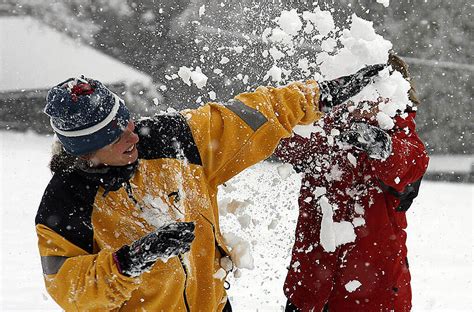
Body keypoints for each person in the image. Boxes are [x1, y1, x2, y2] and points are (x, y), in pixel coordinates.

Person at [35, 65, 384, 311]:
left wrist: (317, 97)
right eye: (113, 136)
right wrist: (130, 261)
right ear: (85, 150)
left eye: (126, 119)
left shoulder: (173, 141)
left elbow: (250, 115)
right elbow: (70, 290)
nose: (131, 135)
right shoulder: (65, 202)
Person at [275, 54, 429, 312]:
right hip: (311, 284)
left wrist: (381, 145)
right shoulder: (326, 124)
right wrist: (333, 118)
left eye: (375, 90)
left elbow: (411, 162)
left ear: (393, 95)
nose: (366, 100)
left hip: (372, 291)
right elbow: (285, 141)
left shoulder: (399, 129)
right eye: (359, 88)